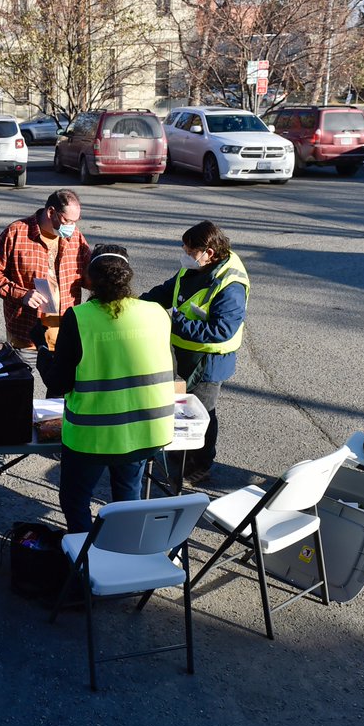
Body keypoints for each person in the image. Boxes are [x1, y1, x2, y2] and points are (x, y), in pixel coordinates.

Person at [34, 244, 176, 533]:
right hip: (146, 430)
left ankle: (84, 560)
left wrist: (41, 347)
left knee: (75, 497)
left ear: (89, 279)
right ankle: (122, 553)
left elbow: (58, 383)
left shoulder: (80, 317)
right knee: (127, 496)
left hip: (92, 435)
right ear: (128, 276)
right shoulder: (156, 313)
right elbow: (168, 367)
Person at [141, 220, 249, 486]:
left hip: (209, 360)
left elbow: (222, 330)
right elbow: (168, 291)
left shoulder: (229, 285)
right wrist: (135, 304)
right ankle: (178, 459)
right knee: (179, 408)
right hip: (184, 352)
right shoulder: (195, 267)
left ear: (208, 252)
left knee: (201, 415)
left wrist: (175, 322)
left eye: (189, 251)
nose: (184, 255)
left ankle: (199, 467)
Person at [0, 188, 91, 368]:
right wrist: (22, 295)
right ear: (51, 213)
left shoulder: (75, 237)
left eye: (75, 221)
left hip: (65, 337)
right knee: (20, 392)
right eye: (67, 220)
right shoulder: (16, 233)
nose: (71, 227)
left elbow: (89, 276)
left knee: (59, 395)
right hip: (26, 337)